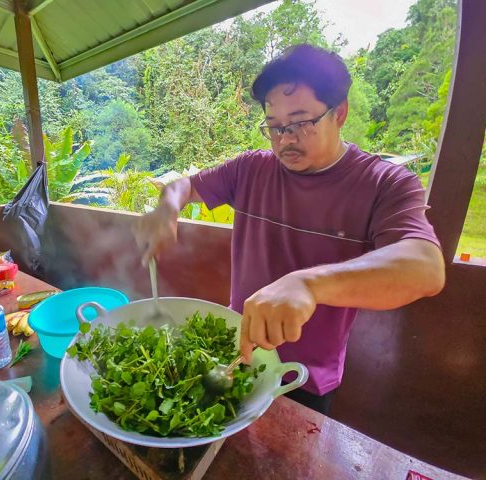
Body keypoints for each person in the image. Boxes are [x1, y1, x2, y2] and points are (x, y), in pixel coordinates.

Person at [134, 45, 444, 415]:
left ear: (339, 113)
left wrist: (308, 284)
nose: (284, 139)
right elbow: (181, 187)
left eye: (301, 122)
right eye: (274, 126)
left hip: (303, 379)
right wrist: (168, 208)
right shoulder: (251, 169)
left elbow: (425, 267)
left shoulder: (384, 183)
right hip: (237, 354)